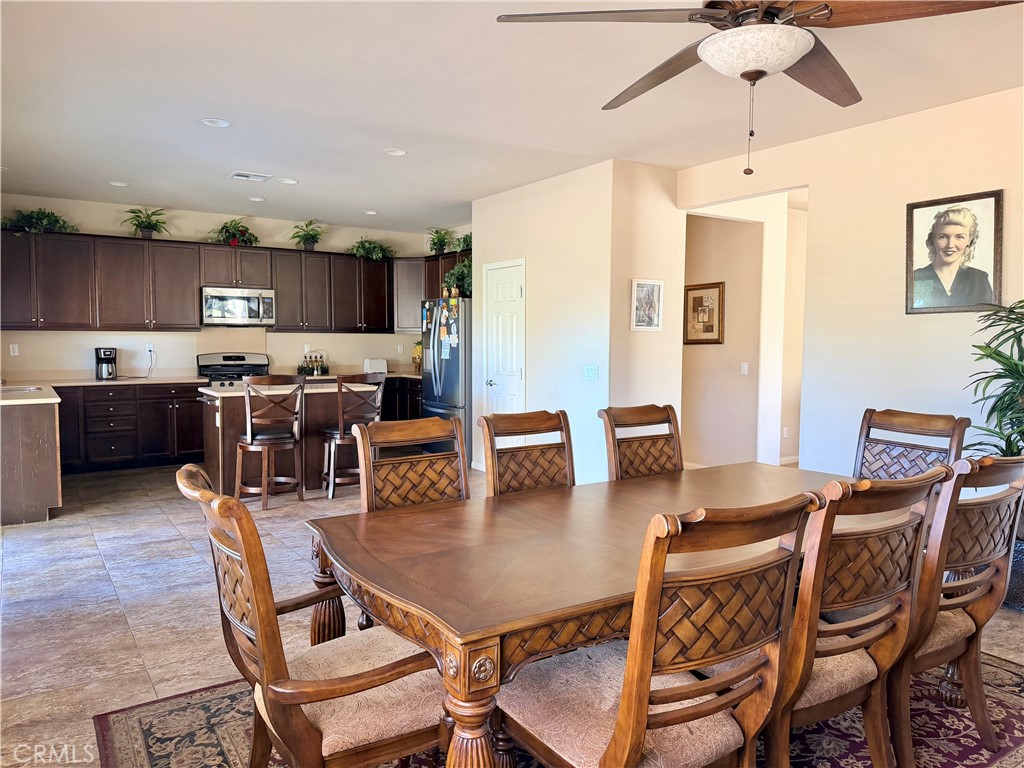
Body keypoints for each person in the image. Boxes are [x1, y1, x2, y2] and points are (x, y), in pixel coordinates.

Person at [913, 205, 992, 308]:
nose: (950, 245)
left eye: (960, 237)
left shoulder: (978, 279)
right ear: (933, 240)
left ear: (969, 241)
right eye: (943, 237)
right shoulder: (918, 277)